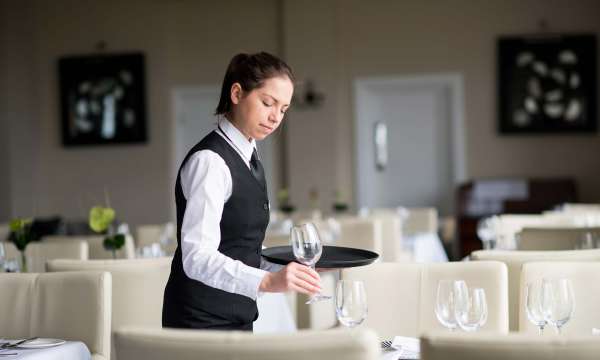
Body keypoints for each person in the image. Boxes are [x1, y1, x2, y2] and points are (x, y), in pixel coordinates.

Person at [162, 52, 322, 331]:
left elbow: (240, 248)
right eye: (267, 103)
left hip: (237, 318)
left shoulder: (249, 157)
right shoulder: (210, 162)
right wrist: (267, 281)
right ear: (237, 93)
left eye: (283, 109)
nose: (275, 117)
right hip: (200, 325)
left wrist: (290, 270)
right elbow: (196, 256)